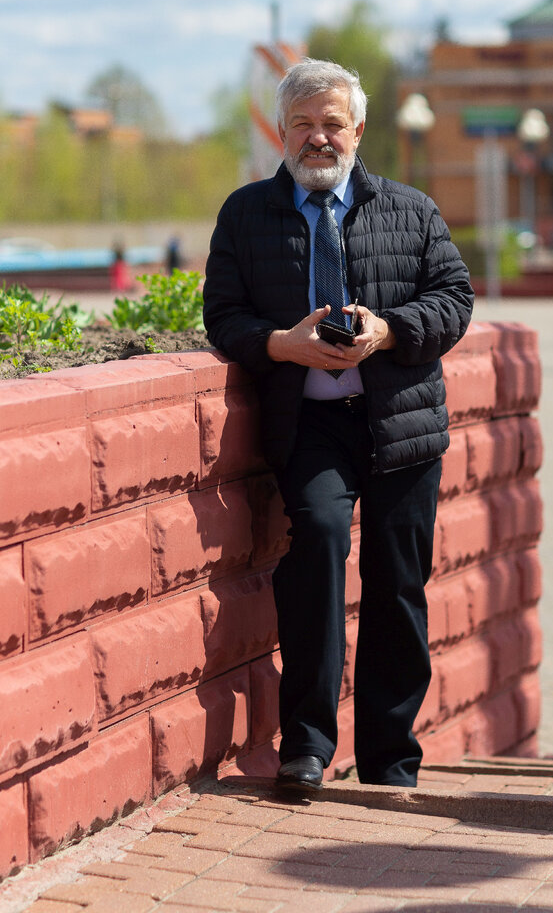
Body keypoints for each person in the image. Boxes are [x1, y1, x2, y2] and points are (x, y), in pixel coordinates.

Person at [203, 58, 474, 793]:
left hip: (400, 423)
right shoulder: (245, 214)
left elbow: (454, 299)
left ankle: (390, 758)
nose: (318, 139)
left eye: (331, 124)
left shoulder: (411, 211)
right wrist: (280, 345)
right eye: (303, 125)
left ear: (357, 129)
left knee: (397, 584)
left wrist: (388, 331)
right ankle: (308, 747)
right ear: (281, 133)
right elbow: (222, 317)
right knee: (317, 543)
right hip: (311, 425)